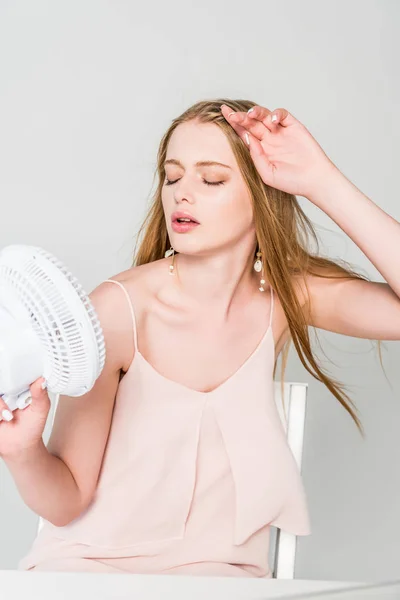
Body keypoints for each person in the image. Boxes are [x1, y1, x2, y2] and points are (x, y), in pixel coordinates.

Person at [1, 98, 399, 577]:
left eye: (211, 179)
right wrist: (23, 450)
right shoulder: (119, 309)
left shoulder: (285, 296)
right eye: (172, 177)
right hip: (91, 571)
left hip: (224, 578)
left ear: (263, 192)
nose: (181, 195)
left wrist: (320, 180)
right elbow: (66, 503)